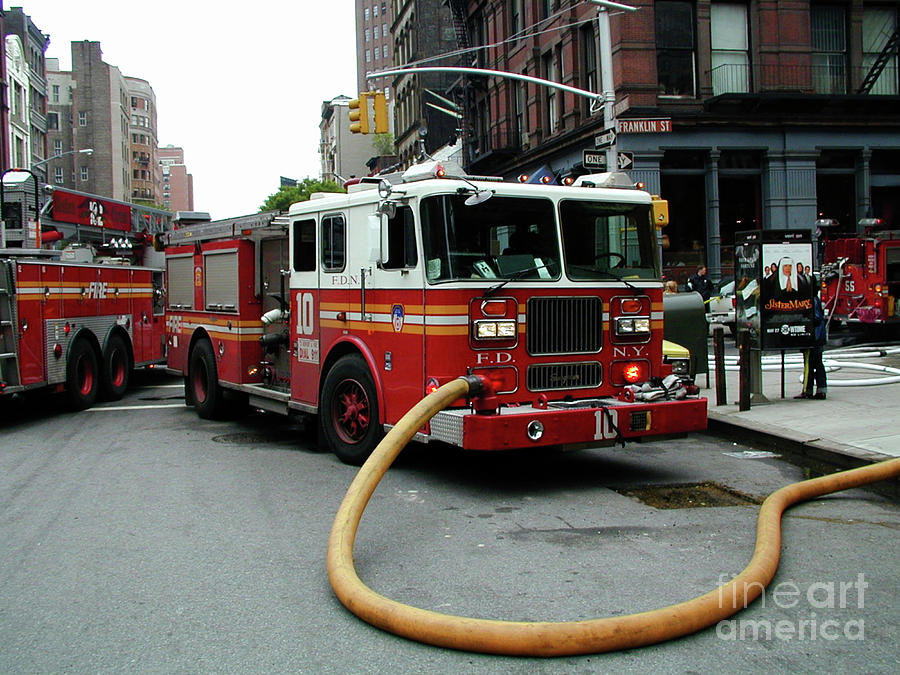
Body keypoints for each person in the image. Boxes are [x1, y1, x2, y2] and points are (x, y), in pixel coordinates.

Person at [795, 277, 827, 400]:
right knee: (818, 364)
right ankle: (821, 390)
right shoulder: (815, 299)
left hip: (814, 337)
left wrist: (803, 319)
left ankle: (807, 390)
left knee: (809, 364)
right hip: (818, 337)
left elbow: (817, 318)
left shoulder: (811, 300)